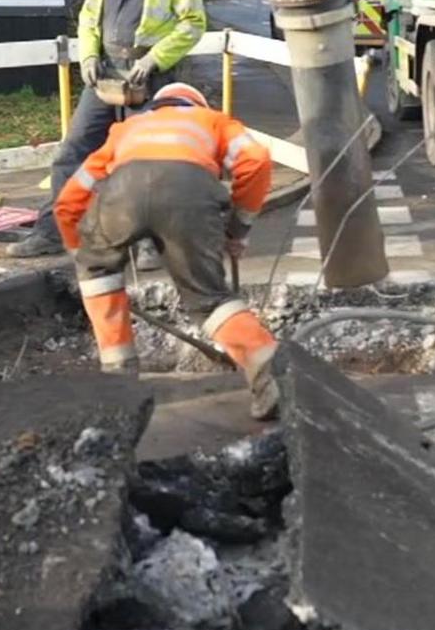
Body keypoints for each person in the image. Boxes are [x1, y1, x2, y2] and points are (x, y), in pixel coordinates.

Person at [54, 82, 281, 419]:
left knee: (98, 273)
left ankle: (117, 377)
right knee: (208, 299)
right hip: (189, 195)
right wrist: (238, 229)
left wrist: (81, 253)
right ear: (197, 103)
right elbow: (256, 160)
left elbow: (68, 202)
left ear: (157, 105)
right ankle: (267, 370)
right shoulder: (214, 121)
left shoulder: (126, 129)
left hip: (120, 196)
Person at [8, 0, 207, 267]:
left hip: (148, 79)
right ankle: (50, 232)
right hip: (105, 77)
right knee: (72, 153)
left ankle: (147, 243)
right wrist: (88, 55)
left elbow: (193, 23)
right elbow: (88, 18)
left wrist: (154, 58)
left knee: (144, 160)